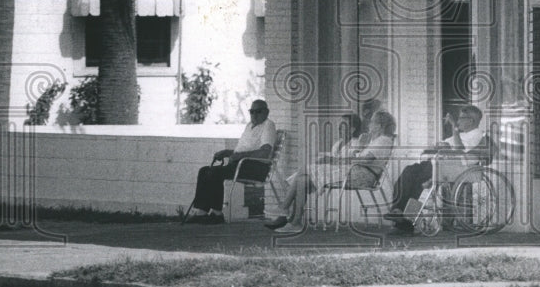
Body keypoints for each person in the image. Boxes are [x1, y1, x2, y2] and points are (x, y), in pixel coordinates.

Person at [265, 109, 396, 230]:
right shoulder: (375, 140)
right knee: (302, 179)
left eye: (372, 122)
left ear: (380, 125)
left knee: (305, 170)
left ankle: (285, 210)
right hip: (351, 171)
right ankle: (294, 221)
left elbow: (366, 159)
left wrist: (346, 158)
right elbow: (360, 157)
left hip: (359, 174)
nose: (369, 124)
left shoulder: (384, 140)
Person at [383, 104, 494, 234]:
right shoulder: (462, 134)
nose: (458, 121)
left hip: (454, 166)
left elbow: (459, 150)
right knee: (408, 172)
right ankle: (399, 211)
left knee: (418, 180)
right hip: (440, 162)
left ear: (471, 121)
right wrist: (440, 146)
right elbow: (447, 145)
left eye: (461, 118)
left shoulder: (476, 135)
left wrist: (454, 128)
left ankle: (405, 221)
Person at [188, 99, 276, 224]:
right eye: (252, 112)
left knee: (215, 172)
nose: (254, 115)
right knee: (204, 171)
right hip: (242, 163)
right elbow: (241, 150)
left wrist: (239, 156)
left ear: (266, 112)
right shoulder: (249, 126)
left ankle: (217, 214)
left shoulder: (268, 125)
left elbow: (265, 152)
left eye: (258, 111)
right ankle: (201, 212)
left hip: (256, 167)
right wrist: (227, 152)